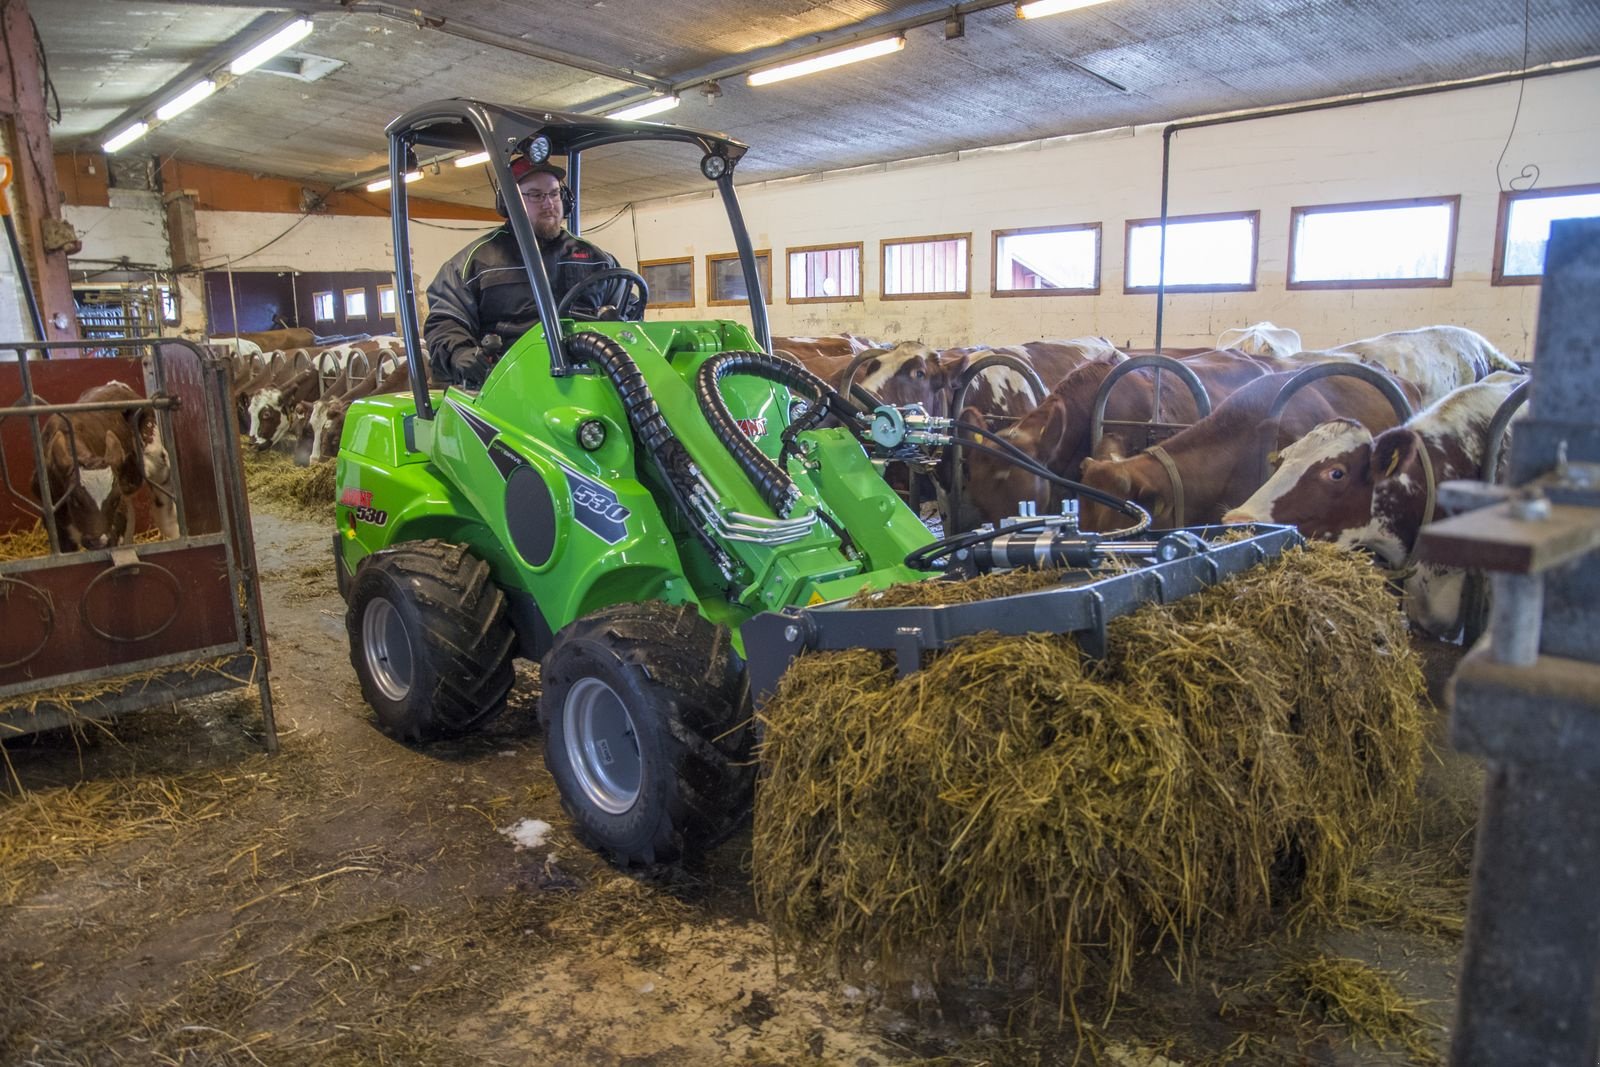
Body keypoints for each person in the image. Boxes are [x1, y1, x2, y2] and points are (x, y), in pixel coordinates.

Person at [423, 156, 618, 387]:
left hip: (590, 380)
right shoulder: (474, 263)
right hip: (508, 385)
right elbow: (445, 320)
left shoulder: (597, 260)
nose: (549, 204)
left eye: (554, 194)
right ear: (509, 202)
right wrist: (459, 352)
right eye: (536, 195)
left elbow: (626, 311)